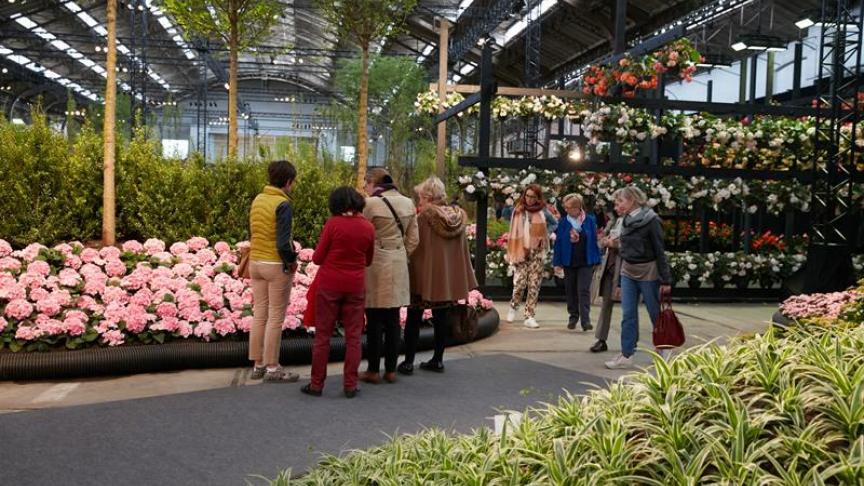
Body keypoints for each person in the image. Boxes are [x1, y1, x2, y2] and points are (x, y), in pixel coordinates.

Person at [398, 176, 477, 374]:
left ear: (427, 196)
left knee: (414, 318)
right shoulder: (457, 217)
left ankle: (408, 361)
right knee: (441, 319)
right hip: (446, 281)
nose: (419, 201)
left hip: (423, 278)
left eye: (420, 197)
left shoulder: (424, 218)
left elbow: (414, 244)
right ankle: (438, 359)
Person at [301, 187, 375, 398]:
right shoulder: (368, 227)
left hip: (330, 284)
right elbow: (368, 260)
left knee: (323, 336)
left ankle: (316, 384)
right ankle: (350, 385)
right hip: (355, 285)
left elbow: (317, 258)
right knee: (353, 336)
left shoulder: (333, 224)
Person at [360, 169, 419, 385]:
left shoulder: (370, 204)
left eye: (365, 183)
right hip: (398, 260)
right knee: (394, 318)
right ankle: (392, 369)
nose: (364, 187)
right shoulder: (408, 202)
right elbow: (414, 239)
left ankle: (373, 370)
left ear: (372, 182)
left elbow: (362, 232)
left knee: (374, 317)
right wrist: (401, 252)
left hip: (376, 261)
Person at [605, 186, 672, 369]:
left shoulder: (652, 220)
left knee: (654, 313)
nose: (618, 205)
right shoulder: (625, 220)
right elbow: (623, 251)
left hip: (648, 271)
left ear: (632, 200)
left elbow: (660, 251)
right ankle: (627, 354)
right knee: (628, 314)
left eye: (621, 201)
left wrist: (665, 280)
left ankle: (664, 349)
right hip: (628, 271)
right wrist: (619, 281)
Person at [248, 160, 300, 383]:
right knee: (275, 317)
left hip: (255, 262)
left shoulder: (258, 199)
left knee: (259, 314)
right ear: (288, 181)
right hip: (275, 264)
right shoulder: (283, 204)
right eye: (293, 182)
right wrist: (292, 261)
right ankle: (272, 367)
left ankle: (258, 364)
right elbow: (282, 242)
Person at [505, 184, 558, 329]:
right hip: (521, 250)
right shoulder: (518, 210)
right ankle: (514, 306)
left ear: (538, 197)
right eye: (527, 196)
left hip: (537, 252)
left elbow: (554, 223)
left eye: (533, 197)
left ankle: (529, 316)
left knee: (534, 284)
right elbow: (512, 230)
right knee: (520, 283)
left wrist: (544, 234)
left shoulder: (543, 211)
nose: (529, 199)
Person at [552, 194, 601, 332]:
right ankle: (573, 316)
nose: (566, 210)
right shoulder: (563, 222)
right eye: (565, 207)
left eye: (568, 207)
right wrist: (557, 262)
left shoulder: (590, 220)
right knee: (571, 290)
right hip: (569, 261)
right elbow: (559, 243)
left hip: (585, 261)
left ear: (577, 207)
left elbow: (593, 240)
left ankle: (586, 320)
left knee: (583, 290)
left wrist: (597, 259)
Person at [591, 207, 622, 353]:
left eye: (620, 202)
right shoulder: (615, 221)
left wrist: (614, 244)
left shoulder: (635, 222)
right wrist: (604, 240)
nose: (616, 207)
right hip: (610, 266)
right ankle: (601, 339)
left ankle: (629, 344)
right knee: (606, 304)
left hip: (626, 269)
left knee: (629, 309)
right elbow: (604, 238)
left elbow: (635, 245)